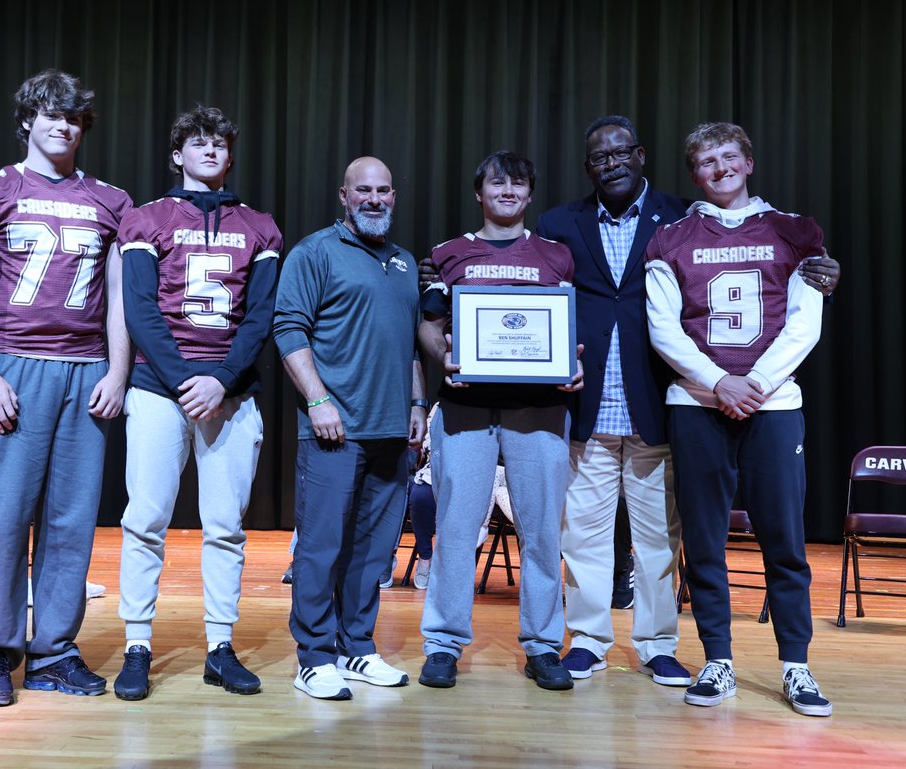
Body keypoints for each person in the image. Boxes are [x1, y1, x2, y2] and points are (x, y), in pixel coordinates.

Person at [534, 116, 842, 688]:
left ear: (641, 155)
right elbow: (535, 288)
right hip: (605, 401)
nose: (612, 163)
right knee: (586, 539)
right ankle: (594, 642)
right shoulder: (563, 225)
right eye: (600, 157)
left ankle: (663, 646)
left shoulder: (684, 215)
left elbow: (798, 301)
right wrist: (441, 281)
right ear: (587, 167)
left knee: (666, 539)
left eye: (621, 152)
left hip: (667, 403)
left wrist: (757, 378)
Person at [645, 122, 831, 717]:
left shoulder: (795, 231)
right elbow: (663, 326)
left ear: (748, 162)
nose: (719, 168)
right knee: (703, 540)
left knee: (785, 538)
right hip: (697, 405)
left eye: (729, 157)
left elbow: (805, 320)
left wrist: (755, 384)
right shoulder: (671, 238)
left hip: (773, 406)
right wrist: (717, 381)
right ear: (693, 172)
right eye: (705, 161)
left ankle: (796, 666)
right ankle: (718, 659)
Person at [0, 70, 132, 707]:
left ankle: (54, 651)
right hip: (15, 362)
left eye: (74, 118)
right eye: (51, 115)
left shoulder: (111, 199)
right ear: (28, 120)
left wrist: (117, 371)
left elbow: (119, 297)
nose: (62, 126)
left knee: (71, 520)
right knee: (3, 517)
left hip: (86, 366)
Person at [113, 104, 281, 701]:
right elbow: (140, 310)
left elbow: (261, 315)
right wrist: (189, 380)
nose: (209, 151)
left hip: (231, 395)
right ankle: (137, 645)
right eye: (197, 142)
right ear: (177, 154)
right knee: (145, 519)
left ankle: (219, 646)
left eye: (219, 143)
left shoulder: (258, 225)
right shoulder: (146, 218)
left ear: (230, 155)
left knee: (226, 527)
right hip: (162, 389)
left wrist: (224, 379)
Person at [416, 151, 582, 691]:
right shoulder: (447, 253)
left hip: (539, 411)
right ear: (479, 192)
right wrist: (445, 358)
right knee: (457, 532)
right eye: (496, 182)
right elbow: (428, 324)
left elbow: (566, 326)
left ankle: (541, 647)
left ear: (530, 194)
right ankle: (443, 643)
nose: (508, 191)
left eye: (518, 183)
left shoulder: (557, 256)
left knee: (541, 536)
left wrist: (572, 363)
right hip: (465, 410)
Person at [274, 156, 425, 700]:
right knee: (321, 546)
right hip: (334, 429)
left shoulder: (404, 263)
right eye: (364, 190)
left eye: (384, 189)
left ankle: (356, 648)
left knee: (373, 550)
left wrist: (416, 402)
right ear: (344, 195)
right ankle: (314, 657)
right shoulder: (314, 253)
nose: (375, 199)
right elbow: (288, 327)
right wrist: (317, 399)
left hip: (391, 431)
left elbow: (407, 341)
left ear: (394, 196)